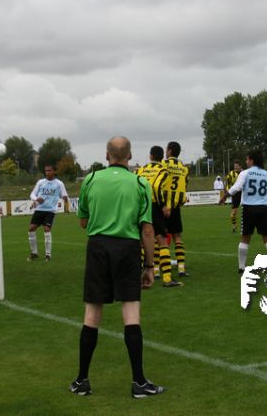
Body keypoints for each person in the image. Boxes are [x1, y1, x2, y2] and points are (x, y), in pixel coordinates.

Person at [69, 136, 165, 398]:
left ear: (107, 155)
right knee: (131, 314)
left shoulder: (90, 180)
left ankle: (81, 381)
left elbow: (83, 222)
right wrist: (149, 266)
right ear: (130, 156)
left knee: (92, 314)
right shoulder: (139, 183)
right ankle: (139, 383)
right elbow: (147, 230)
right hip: (127, 248)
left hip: (98, 248)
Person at [222, 150, 267, 273]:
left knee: (245, 237)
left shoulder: (245, 173)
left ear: (252, 160)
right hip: (263, 208)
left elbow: (237, 187)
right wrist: (263, 200)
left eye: (247, 159)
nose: (246, 161)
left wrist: (225, 196)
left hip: (249, 208)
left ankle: (241, 267)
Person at [136, 145, 182, 287]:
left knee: (141, 241)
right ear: (162, 157)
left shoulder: (140, 170)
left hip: (139, 206)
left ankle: (136, 276)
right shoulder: (163, 171)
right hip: (154, 206)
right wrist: (163, 205)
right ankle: (167, 278)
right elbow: (156, 187)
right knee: (162, 240)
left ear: (150, 156)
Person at [27, 165, 69, 262]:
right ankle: (34, 253)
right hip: (39, 209)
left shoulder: (59, 183)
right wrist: (36, 199)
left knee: (46, 229)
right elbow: (32, 194)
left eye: (49, 170)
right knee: (31, 228)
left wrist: (65, 199)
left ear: (54, 171)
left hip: (50, 210)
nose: (47, 172)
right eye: (46, 171)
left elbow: (64, 195)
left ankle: (48, 255)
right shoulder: (40, 182)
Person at [161, 141, 190, 277]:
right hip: (176, 206)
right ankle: (181, 268)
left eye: (167, 149)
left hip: (163, 206)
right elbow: (185, 185)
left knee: (160, 237)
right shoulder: (183, 168)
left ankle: (159, 267)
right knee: (177, 237)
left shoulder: (163, 164)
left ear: (170, 151)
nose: (165, 152)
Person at [224, 161, 243, 233]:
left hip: (244, 193)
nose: (235, 167)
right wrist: (227, 191)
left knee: (248, 211)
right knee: (233, 214)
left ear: (240, 166)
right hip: (236, 194)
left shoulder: (244, 173)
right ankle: (234, 226)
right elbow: (227, 184)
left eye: (237, 166)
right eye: (234, 166)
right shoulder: (231, 174)